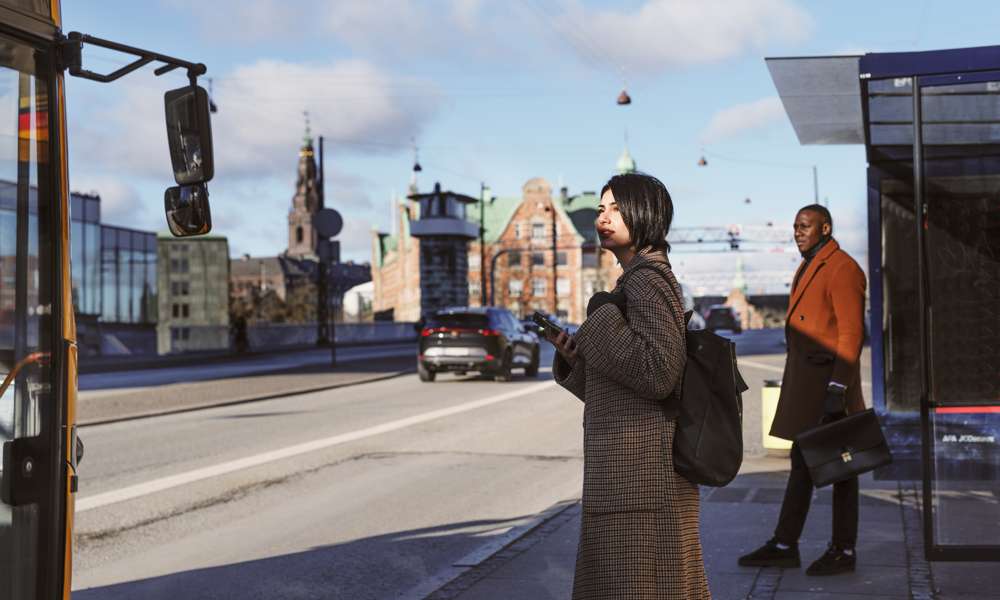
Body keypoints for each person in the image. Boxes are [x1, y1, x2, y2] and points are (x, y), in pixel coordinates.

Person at [546, 173, 710, 600]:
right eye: (601, 209)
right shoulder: (633, 280)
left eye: (616, 208)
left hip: (642, 475)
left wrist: (600, 318)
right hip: (630, 470)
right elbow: (626, 381)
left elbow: (658, 374)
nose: (603, 217)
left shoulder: (647, 279)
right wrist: (577, 359)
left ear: (646, 213)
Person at [738, 204, 867, 576]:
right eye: (795, 226)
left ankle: (841, 550)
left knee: (842, 470)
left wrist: (838, 386)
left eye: (805, 226)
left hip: (828, 389)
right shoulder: (811, 263)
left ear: (825, 228)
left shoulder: (842, 268)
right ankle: (785, 543)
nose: (798, 232)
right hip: (808, 386)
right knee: (802, 465)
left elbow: (851, 332)